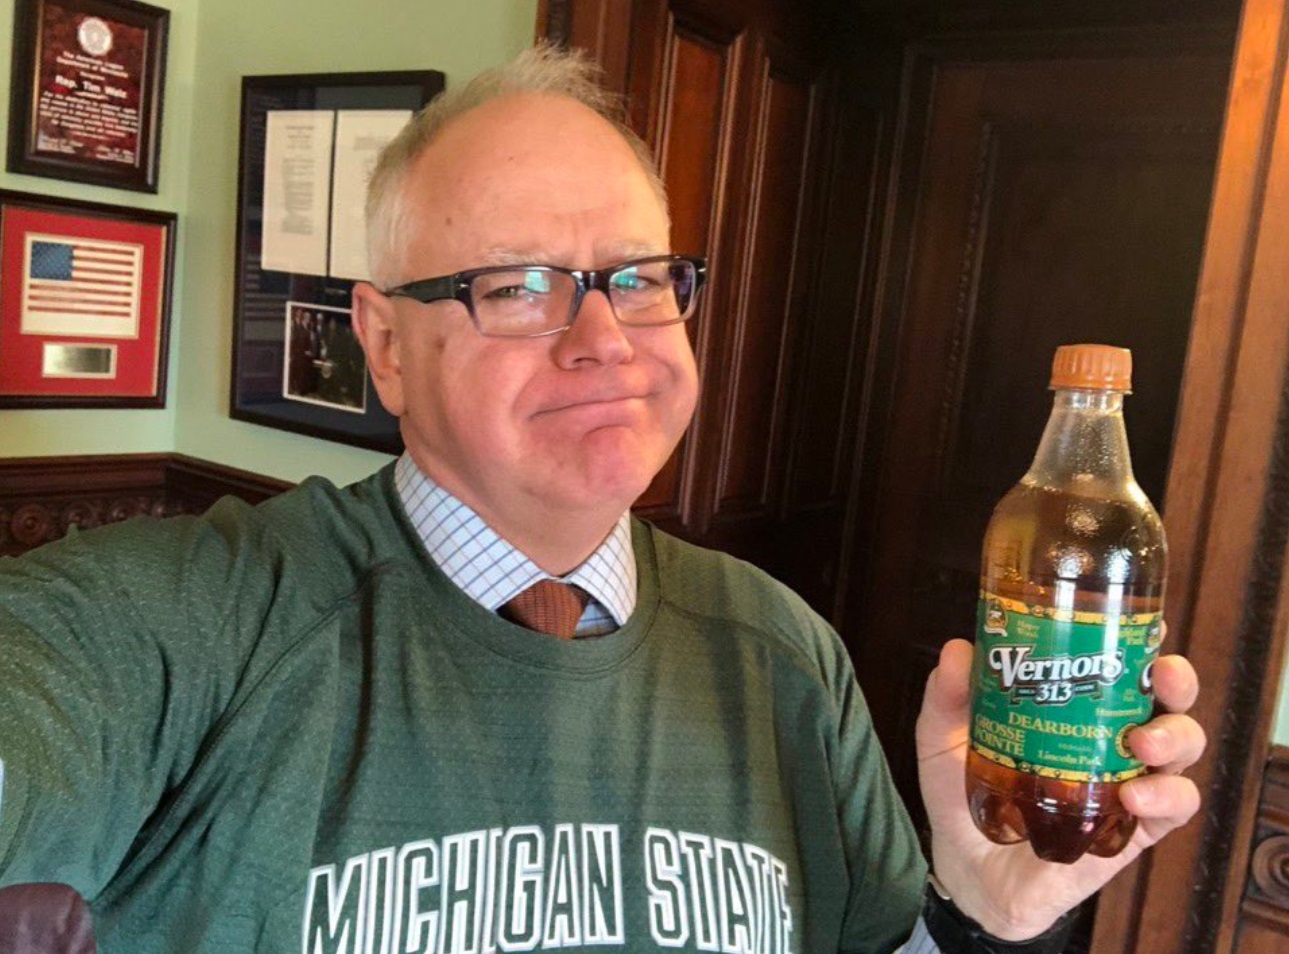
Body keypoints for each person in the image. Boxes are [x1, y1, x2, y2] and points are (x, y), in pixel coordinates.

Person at [0, 45, 1203, 953]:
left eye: (637, 279)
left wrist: (983, 917)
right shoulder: (191, 625)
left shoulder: (784, 651)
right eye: (515, 286)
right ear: (386, 344)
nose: (602, 342)